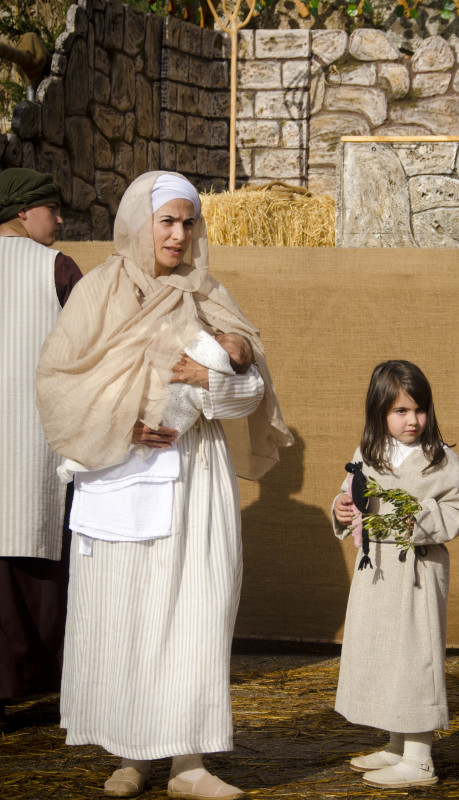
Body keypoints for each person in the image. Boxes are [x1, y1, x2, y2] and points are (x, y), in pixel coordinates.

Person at [36, 171, 292, 799]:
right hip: (118, 470)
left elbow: (253, 390)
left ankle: (188, 763)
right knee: (124, 613)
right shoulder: (97, 291)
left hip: (194, 478)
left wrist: (205, 381)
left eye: (188, 222)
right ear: (137, 221)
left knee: (195, 613)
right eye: (167, 221)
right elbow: (59, 384)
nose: (179, 235)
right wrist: (124, 419)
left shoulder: (208, 293)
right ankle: (129, 755)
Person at [332, 360, 459, 790]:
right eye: (400, 411)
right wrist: (340, 508)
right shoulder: (368, 455)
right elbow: (350, 494)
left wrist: (417, 519)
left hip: (416, 572)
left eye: (419, 409)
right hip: (375, 572)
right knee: (383, 654)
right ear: (379, 413)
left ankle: (420, 760)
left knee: (414, 657)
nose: (412, 420)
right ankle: (396, 744)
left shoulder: (439, 459)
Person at [0, 168, 82, 731]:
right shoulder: (56, 268)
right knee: (41, 560)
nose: (59, 220)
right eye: (52, 209)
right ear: (24, 213)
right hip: (36, 447)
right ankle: (52, 691)